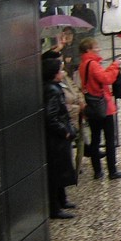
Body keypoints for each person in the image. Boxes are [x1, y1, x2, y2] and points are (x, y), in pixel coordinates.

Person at [78, 37, 121, 180]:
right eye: (95, 47)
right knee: (109, 140)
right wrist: (115, 66)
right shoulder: (92, 64)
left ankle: (97, 171)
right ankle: (112, 170)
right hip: (103, 106)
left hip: (92, 106)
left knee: (95, 139)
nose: (98, 49)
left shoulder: (83, 64)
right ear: (88, 50)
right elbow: (106, 79)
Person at [42, 57, 77, 219]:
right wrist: (65, 131)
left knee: (61, 169)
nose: (63, 73)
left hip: (59, 137)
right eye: (61, 70)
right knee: (56, 172)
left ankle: (62, 200)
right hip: (56, 139)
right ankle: (55, 207)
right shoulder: (52, 90)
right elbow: (51, 116)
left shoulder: (54, 87)